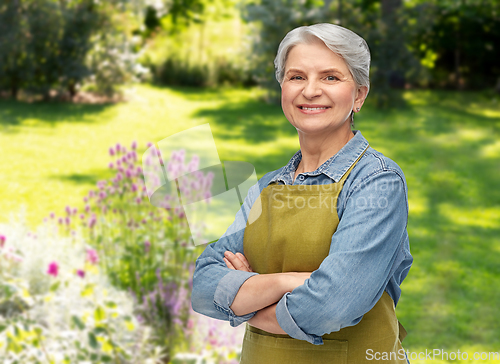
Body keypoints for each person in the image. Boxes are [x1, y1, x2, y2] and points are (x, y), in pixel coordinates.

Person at [191, 23, 413, 364]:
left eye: (330, 77)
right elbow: (204, 286)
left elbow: (330, 305)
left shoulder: (376, 181)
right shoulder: (266, 188)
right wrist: (287, 281)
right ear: (283, 88)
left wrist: (246, 300)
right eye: (296, 77)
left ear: (359, 95)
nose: (310, 91)